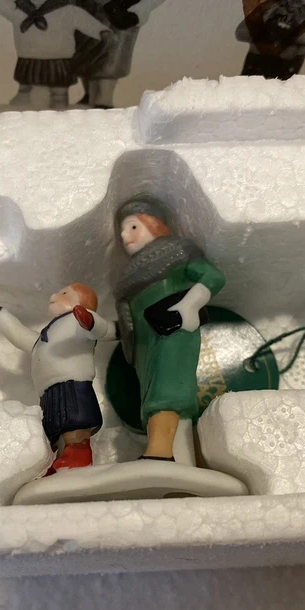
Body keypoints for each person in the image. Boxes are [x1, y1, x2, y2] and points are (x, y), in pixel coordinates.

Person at [113, 195, 225, 460]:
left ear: (153, 224)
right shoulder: (130, 278)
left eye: (133, 227)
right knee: (153, 394)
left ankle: (161, 453)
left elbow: (212, 276)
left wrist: (189, 306)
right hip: (145, 343)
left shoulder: (177, 253)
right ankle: (174, 457)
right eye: (122, 231)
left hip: (172, 330)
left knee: (168, 389)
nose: (125, 236)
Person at [0, 283, 116, 471]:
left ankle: (79, 455)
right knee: (53, 427)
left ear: (82, 305)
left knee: (74, 420)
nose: (53, 296)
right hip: (48, 391)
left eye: (64, 293)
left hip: (72, 383)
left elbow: (105, 329)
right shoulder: (44, 337)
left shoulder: (78, 323)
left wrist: (90, 321)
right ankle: (58, 461)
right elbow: (19, 334)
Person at [0, 0, 110, 109]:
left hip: (59, 61)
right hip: (28, 60)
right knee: (25, 87)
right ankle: (23, 101)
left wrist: (100, 32)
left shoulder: (67, 10)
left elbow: (86, 22)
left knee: (59, 91)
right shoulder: (18, 10)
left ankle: (60, 105)